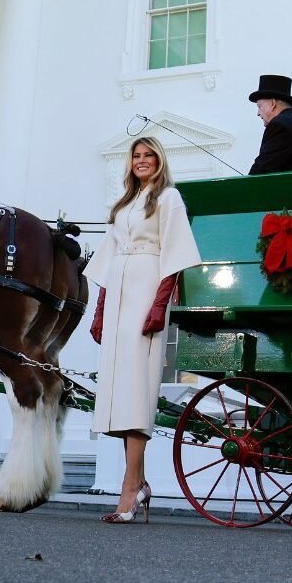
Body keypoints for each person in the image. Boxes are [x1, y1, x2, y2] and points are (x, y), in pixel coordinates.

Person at [85, 136, 202, 523]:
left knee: (136, 391)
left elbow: (175, 257)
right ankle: (140, 482)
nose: (142, 161)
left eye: (149, 155)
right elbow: (106, 259)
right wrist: (100, 310)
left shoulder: (168, 199)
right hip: (118, 293)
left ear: (160, 160)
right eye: (136, 155)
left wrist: (158, 305)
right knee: (118, 394)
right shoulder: (123, 205)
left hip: (145, 290)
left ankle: (130, 489)